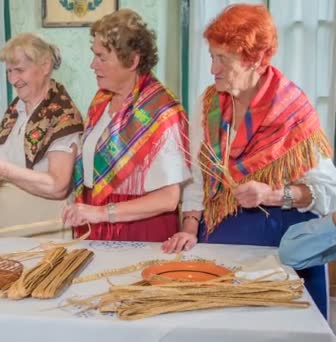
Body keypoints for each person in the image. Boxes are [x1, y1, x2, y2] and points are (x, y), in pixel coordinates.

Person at [162, 4, 336, 318]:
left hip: (281, 241)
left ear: (254, 59)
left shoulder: (293, 110)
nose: (212, 69)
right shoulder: (210, 103)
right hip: (219, 232)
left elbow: (328, 191)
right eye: (211, 56)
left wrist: (272, 195)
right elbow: (199, 177)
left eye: (222, 59)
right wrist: (189, 226)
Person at [61, 9, 190, 242]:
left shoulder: (160, 110)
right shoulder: (101, 101)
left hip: (139, 230)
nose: (93, 65)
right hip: (94, 224)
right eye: (94, 55)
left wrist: (101, 213)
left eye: (102, 57)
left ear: (132, 61)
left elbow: (168, 198)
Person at [0, 33, 83, 237]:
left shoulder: (63, 114)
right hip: (6, 222)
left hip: (42, 225)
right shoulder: (16, 108)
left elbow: (58, 186)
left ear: (45, 66)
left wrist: (1, 168)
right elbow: (11, 162)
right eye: (9, 71)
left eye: (20, 70)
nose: (13, 79)